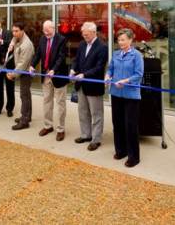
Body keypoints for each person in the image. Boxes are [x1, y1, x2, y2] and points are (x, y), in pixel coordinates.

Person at [105, 28, 144, 167]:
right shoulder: (115, 54)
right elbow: (110, 69)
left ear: (130, 40)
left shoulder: (137, 55)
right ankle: (121, 150)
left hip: (131, 96)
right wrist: (107, 76)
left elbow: (139, 75)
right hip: (116, 93)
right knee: (118, 123)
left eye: (123, 40)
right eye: (119, 40)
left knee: (130, 126)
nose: (120, 42)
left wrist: (126, 81)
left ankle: (134, 157)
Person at [70, 22, 108, 151]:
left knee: (96, 114)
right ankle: (86, 135)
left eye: (86, 34)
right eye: (83, 34)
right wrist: (72, 70)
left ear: (94, 32)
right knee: (83, 112)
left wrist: (84, 75)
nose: (84, 36)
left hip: (93, 86)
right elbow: (76, 60)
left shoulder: (102, 47)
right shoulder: (82, 44)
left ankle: (96, 139)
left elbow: (99, 67)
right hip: (81, 85)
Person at [30, 20, 69, 141]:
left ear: (53, 28)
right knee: (47, 102)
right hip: (46, 75)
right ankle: (48, 126)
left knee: (60, 103)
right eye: (44, 30)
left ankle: (61, 129)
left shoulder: (61, 39)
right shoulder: (42, 39)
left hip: (58, 76)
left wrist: (54, 70)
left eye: (48, 30)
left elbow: (61, 57)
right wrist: (32, 65)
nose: (46, 32)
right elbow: (38, 54)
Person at [7, 23, 35, 130]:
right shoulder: (18, 38)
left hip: (25, 73)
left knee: (24, 95)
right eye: (13, 31)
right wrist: (11, 43)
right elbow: (14, 38)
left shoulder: (26, 45)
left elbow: (22, 64)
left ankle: (24, 121)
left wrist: (12, 74)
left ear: (23, 31)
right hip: (21, 71)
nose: (14, 33)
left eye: (16, 31)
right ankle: (27, 116)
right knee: (25, 95)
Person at [0, 17, 15, 118]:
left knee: (10, 88)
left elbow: (12, 44)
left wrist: (2, 42)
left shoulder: (8, 33)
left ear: (0, 24)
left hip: (8, 65)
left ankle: (9, 109)